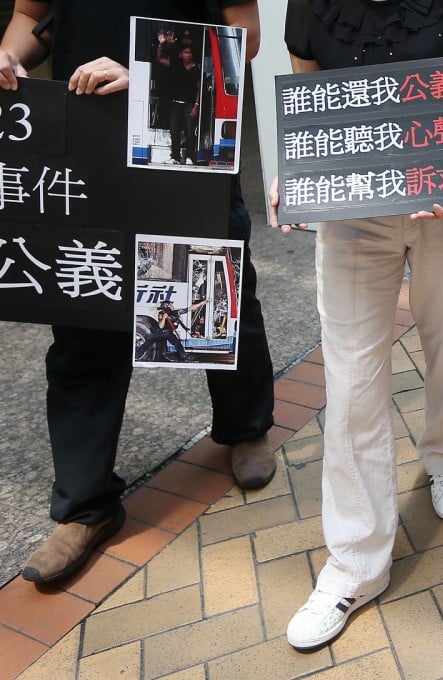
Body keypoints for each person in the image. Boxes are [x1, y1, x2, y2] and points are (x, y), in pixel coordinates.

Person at [271, 0, 443, 650]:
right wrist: (291, 175)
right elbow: (310, 112)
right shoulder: (310, 8)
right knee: (351, 378)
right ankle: (355, 565)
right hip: (356, 214)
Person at [0, 0, 277, 585]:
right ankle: (84, 506)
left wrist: (148, 76)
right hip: (87, 144)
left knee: (212, 299)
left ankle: (245, 427)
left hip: (185, 128)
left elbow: (245, 35)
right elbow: (31, 17)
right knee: (82, 321)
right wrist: (8, 56)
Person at [156, 30, 201, 165]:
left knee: (190, 132)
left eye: (189, 53)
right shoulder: (176, 64)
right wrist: (161, 45)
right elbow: (159, 59)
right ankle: (175, 156)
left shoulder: (196, 69)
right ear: (181, 54)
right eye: (185, 53)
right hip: (176, 104)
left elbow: (199, 89)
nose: (187, 55)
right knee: (174, 130)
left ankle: (189, 157)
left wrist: (196, 106)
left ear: (192, 55)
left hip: (189, 104)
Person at [135, 299, 208, 362]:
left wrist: (202, 303)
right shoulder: (161, 314)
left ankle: (183, 356)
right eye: (171, 305)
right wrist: (164, 318)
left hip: (168, 333)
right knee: (148, 342)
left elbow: (189, 308)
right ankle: (137, 355)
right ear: (166, 306)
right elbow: (160, 327)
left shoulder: (176, 312)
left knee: (177, 344)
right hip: (159, 333)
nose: (172, 305)